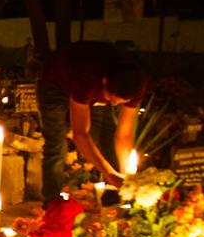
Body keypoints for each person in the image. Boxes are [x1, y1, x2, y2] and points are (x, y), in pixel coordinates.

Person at [37, 41, 149, 196]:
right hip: (55, 85)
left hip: (92, 88)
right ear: (105, 81)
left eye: (121, 102)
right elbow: (80, 134)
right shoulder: (87, 79)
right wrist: (110, 174)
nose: (115, 104)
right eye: (112, 98)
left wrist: (126, 177)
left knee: (107, 138)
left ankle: (117, 199)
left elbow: (124, 135)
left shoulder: (135, 86)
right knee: (56, 144)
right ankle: (52, 203)